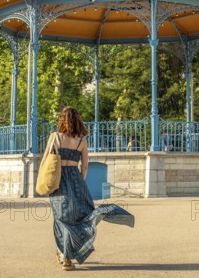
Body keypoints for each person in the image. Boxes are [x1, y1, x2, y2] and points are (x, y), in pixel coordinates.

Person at [42, 106, 134, 271]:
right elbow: (84, 167)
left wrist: (44, 182)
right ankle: (66, 253)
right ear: (78, 121)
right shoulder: (82, 141)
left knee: (61, 217)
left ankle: (65, 256)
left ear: (62, 120)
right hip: (76, 180)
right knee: (81, 215)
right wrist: (79, 182)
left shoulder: (55, 137)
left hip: (58, 181)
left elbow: (45, 162)